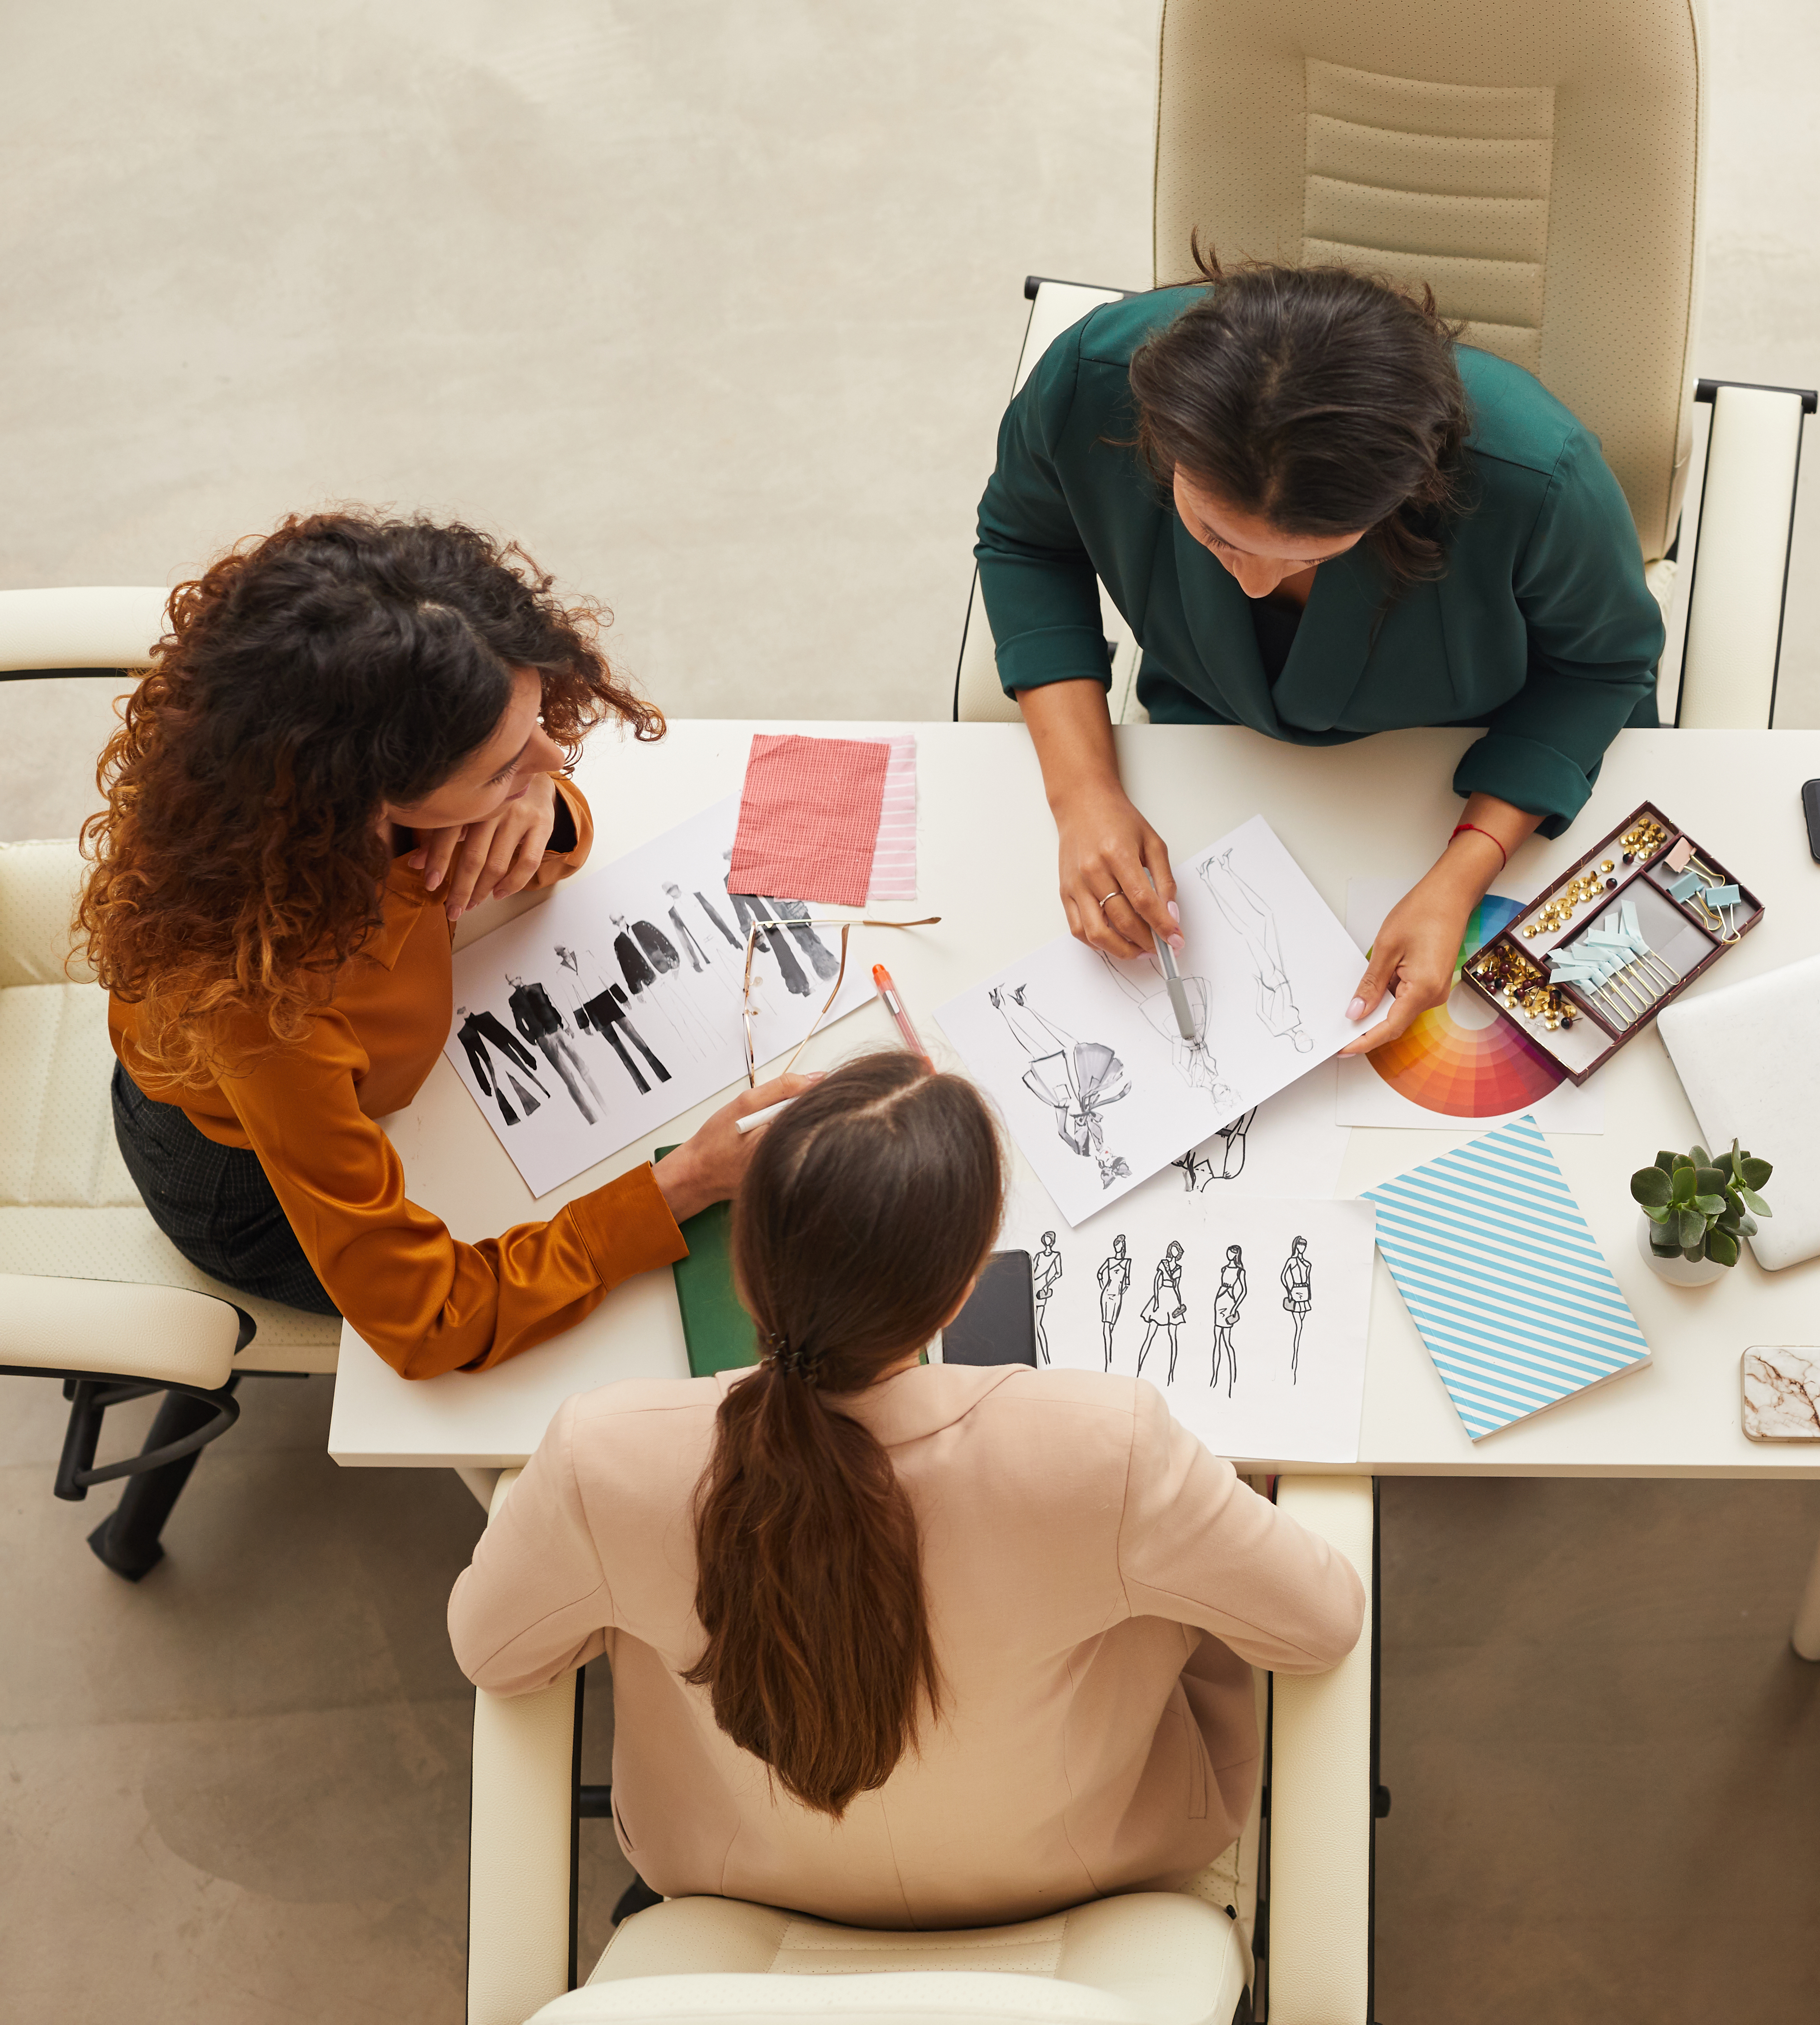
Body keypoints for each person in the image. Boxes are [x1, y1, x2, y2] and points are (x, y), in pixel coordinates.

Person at [448, 1053, 1364, 1929]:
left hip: (733, 1875)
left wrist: (633, 1580)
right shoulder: (1106, 1446)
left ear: (744, 1267)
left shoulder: (599, 1453)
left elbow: (495, 1652)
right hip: (1088, 1869)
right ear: (962, 1290)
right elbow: (1319, 1624)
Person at [83, 513, 805, 1380]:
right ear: (361, 795)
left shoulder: (300, 788)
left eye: (534, 724)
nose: (554, 752)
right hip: (255, 1186)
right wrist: (683, 1186)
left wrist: (535, 803)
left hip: (364, 1100)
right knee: (620, 1335)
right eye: (502, 766)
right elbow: (429, 1321)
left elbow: (554, 830)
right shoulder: (271, 1006)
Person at [974, 251, 1667, 1055]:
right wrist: (1083, 796)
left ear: (1414, 490)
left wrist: (1462, 875)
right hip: (1213, 745)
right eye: (1216, 537)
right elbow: (1026, 539)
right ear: (1159, 445)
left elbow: (1602, 666)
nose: (1261, 588)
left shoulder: (1538, 475)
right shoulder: (1091, 379)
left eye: (1311, 554)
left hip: (1468, 766)